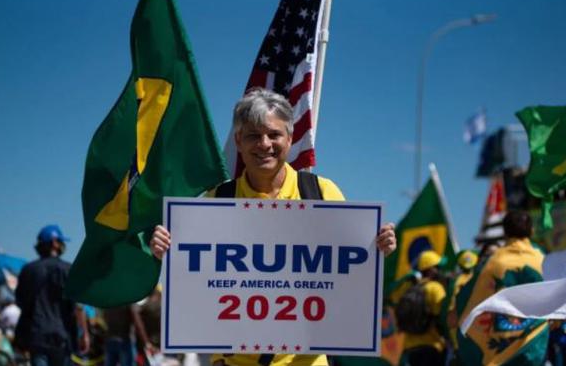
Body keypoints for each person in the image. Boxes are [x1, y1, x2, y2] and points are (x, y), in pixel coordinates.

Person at [149, 88, 397, 366]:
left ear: (290, 139)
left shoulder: (322, 193)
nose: (264, 144)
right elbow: (199, 283)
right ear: (239, 141)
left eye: (274, 135)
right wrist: (168, 249)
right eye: (254, 135)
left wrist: (376, 246)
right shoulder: (218, 198)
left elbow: (350, 275)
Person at [456, 210, 548, 365]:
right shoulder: (543, 259)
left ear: (505, 232)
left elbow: (468, 300)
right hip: (535, 342)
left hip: (501, 344)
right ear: (532, 230)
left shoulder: (494, 262)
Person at [15, 224, 90, 366]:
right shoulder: (69, 270)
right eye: (61, 242)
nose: (63, 245)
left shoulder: (28, 270)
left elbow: (20, 302)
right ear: (55, 243)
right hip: (62, 337)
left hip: (36, 336)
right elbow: (78, 306)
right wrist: (84, 334)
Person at [398, 250, 447, 366]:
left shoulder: (408, 288)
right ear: (430, 270)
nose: (440, 270)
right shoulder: (435, 288)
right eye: (437, 267)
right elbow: (443, 317)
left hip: (410, 348)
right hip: (432, 346)